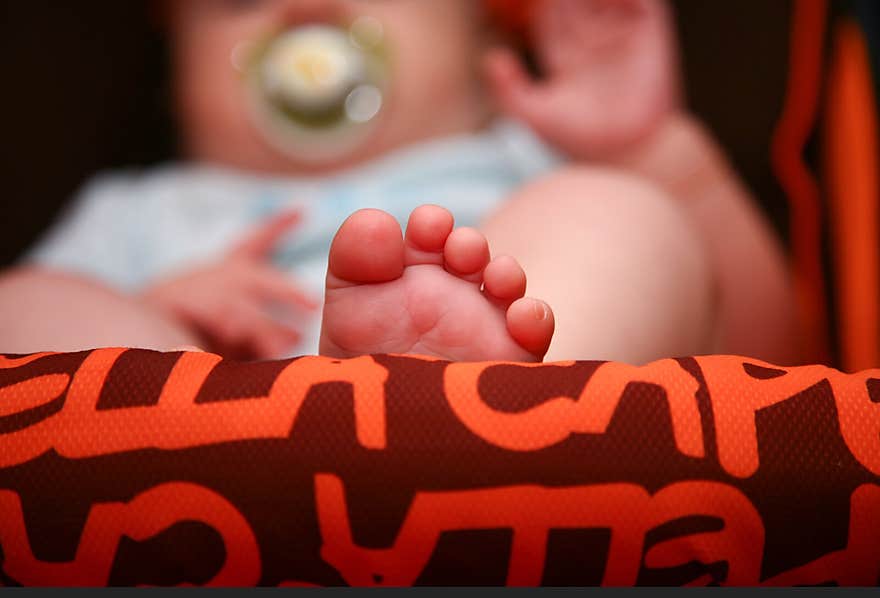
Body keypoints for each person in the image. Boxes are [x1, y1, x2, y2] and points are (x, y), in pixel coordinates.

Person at [0, 0, 795, 365]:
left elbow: (768, 358)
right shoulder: (139, 213)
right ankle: (159, 436)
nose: (304, 11)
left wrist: (657, 154)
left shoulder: (522, 162)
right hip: (215, 450)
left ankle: (501, 407)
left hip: (517, 449)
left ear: (480, 34)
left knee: (617, 215)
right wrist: (157, 314)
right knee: (28, 303)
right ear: (174, 81)